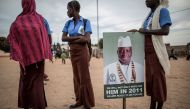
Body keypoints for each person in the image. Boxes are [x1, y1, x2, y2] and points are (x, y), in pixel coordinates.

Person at [7, 0, 52, 109]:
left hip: (25, 59)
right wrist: (43, 49)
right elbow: (48, 38)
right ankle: (39, 106)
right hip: (39, 59)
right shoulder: (41, 20)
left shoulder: (16, 22)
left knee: (25, 81)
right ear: (33, 4)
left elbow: (11, 39)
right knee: (37, 83)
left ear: (23, 4)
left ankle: (26, 105)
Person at [128, 0, 172, 109]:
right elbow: (145, 31)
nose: (146, 1)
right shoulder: (149, 16)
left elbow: (165, 31)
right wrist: (138, 31)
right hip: (147, 54)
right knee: (151, 82)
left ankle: (159, 107)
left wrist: (145, 32)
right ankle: (152, 106)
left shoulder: (163, 11)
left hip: (156, 52)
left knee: (158, 82)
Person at [62, 0, 95, 109]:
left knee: (84, 77)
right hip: (73, 52)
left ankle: (87, 103)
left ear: (73, 8)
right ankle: (79, 100)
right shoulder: (68, 23)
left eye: (68, 9)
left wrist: (71, 40)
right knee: (76, 77)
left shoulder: (85, 22)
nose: (67, 11)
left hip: (82, 52)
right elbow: (63, 38)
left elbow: (86, 39)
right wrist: (77, 37)